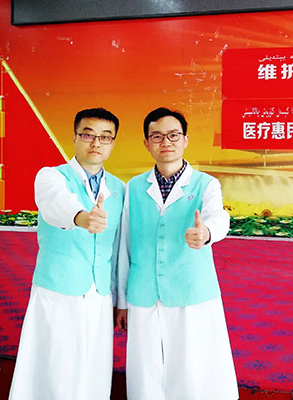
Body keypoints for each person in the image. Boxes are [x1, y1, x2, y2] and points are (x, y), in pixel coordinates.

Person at [115, 107, 238, 400]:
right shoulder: (134, 187)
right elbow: (125, 245)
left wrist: (206, 232)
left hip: (190, 288)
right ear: (146, 143)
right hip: (143, 290)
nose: (166, 142)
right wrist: (121, 300)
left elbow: (218, 217)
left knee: (191, 364)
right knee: (145, 368)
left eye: (173, 135)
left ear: (185, 140)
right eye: (157, 136)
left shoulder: (206, 184)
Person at [9, 108, 124, 400]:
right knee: (55, 367)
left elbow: (118, 248)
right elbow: (56, 203)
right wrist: (82, 217)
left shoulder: (119, 189)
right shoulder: (51, 176)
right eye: (88, 134)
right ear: (74, 137)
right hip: (57, 290)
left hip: (99, 294)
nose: (96, 143)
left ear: (113, 143)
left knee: (93, 369)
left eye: (105, 137)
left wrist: (119, 298)